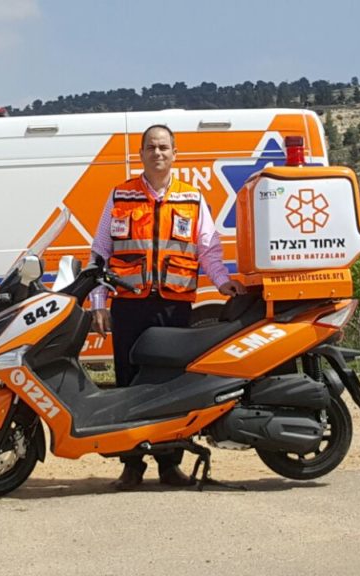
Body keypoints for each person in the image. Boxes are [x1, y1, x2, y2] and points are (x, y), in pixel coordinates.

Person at [89, 124, 246, 490]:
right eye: (151, 147)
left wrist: (223, 282)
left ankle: (169, 465)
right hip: (129, 305)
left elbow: (208, 249)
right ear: (141, 154)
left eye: (163, 147)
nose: (157, 153)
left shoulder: (192, 198)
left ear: (175, 153)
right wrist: (98, 302)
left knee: (170, 386)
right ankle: (131, 467)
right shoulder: (120, 195)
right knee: (128, 383)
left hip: (173, 307)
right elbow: (100, 253)